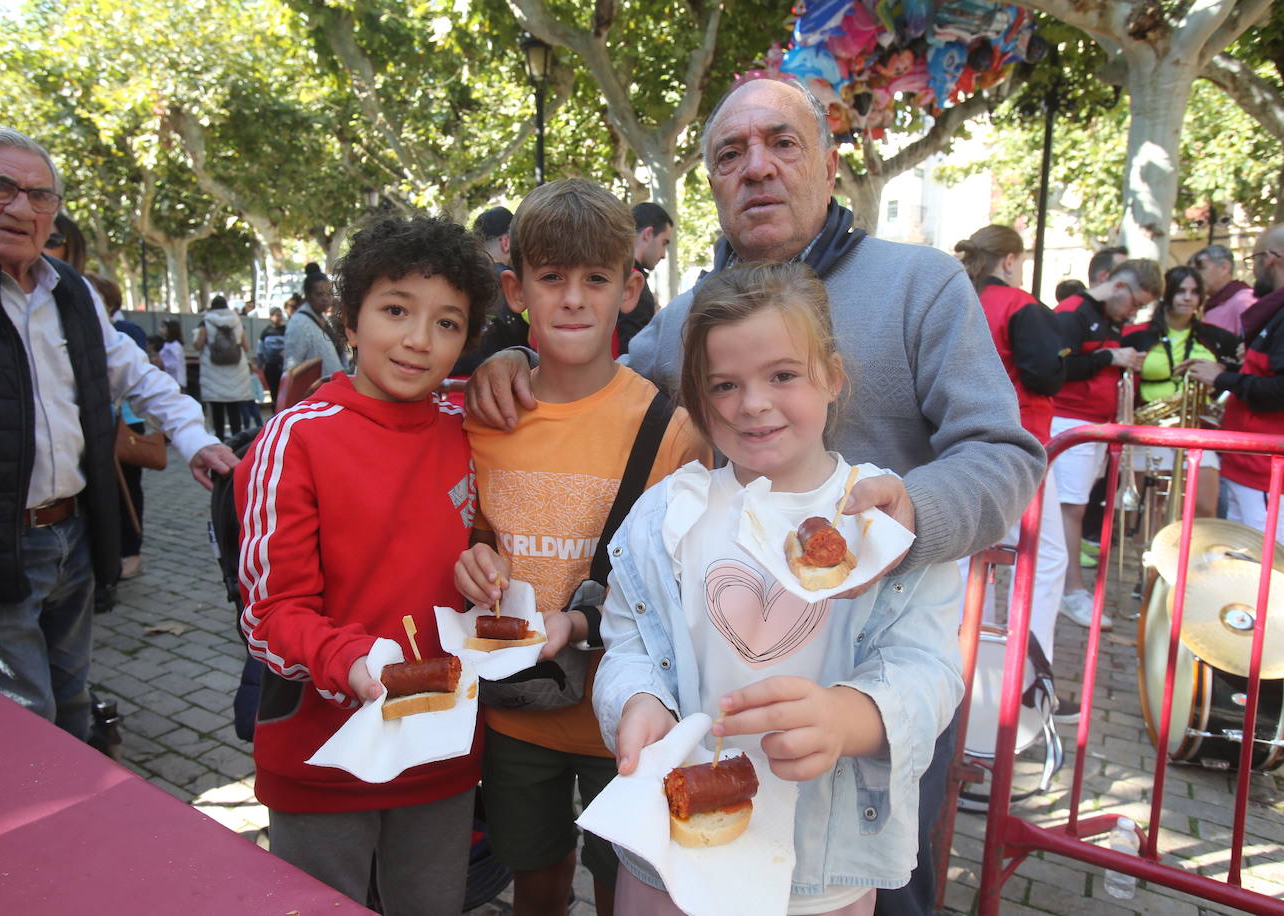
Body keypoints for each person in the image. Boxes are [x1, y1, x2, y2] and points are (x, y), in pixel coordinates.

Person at [466, 76, 1044, 916]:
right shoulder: (700, 310)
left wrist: (907, 519)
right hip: (713, 702)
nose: (757, 168)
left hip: (862, 691)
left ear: (829, 162)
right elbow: (604, 388)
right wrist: (516, 362)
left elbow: (1003, 450)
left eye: (781, 143)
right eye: (731, 154)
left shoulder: (923, 284)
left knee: (880, 893)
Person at [594, 260, 962, 915]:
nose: (754, 403)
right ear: (701, 401)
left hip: (819, 868)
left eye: (783, 375)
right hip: (672, 850)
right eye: (725, 385)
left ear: (832, 377)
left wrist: (854, 719)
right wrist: (636, 700)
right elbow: (629, 640)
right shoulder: (667, 516)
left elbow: (928, 664)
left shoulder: (886, 516)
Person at [0, 126, 236, 740]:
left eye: (40, 196)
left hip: (73, 535)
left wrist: (195, 439)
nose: (20, 208)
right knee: (16, 725)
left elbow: (135, 373)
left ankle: (83, 826)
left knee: (72, 703)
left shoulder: (72, 292)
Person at [453, 179, 710, 916]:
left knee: (622, 888)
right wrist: (470, 557)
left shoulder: (672, 430)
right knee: (534, 880)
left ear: (629, 289)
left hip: (627, 715)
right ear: (515, 287)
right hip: (514, 712)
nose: (573, 299)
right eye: (552, 278)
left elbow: (681, 580)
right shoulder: (484, 415)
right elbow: (468, 530)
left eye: (595, 279)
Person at [235, 216, 496, 913]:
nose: (418, 340)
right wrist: (356, 664)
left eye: (447, 323)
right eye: (395, 311)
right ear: (350, 321)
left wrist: (484, 561)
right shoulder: (296, 441)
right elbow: (268, 617)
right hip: (322, 761)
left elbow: (472, 538)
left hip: (439, 758)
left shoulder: (463, 432)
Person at [953, 225, 1071, 714]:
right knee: (1043, 557)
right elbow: (1048, 372)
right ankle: (1028, 674)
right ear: (1009, 260)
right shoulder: (1019, 305)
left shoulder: (956, 297)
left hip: (959, 443)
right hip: (1021, 445)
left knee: (969, 559)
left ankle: (968, 668)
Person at [1049, 258, 1161, 628]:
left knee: (1073, 507)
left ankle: (1067, 588)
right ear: (1118, 287)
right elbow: (1056, 369)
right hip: (1071, 423)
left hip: (1090, 425)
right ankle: (1071, 591)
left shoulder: (1101, 316)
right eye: (1136, 303)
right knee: (1070, 509)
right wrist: (1110, 357)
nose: (1135, 312)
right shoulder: (1073, 313)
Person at [1181, 224, 1284, 540]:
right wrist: (1226, 369)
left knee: (1267, 569)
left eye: (1252, 258)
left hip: (1267, 473)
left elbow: (1279, 391)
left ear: (1270, 258)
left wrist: (1222, 377)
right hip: (1251, 469)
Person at [1122, 265, 1239, 520]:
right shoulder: (1136, 335)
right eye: (1181, 291)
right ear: (1168, 294)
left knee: (1205, 507)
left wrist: (1221, 370)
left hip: (1197, 430)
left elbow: (1242, 368)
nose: (1188, 298)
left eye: (1195, 292)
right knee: (1151, 509)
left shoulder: (1218, 338)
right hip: (1149, 429)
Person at [90, 273, 150, 581]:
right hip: (93, 428)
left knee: (128, 489)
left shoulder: (126, 332)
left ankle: (132, 550)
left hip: (126, 423)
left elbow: (138, 376)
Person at [451, 206, 530, 376]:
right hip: (502, 387)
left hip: (443, 388)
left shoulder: (452, 277)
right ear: (507, 242)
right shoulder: (515, 284)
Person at [617, 201, 674, 354]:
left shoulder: (617, 275)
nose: (663, 254)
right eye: (664, 243)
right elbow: (633, 352)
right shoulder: (631, 280)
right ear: (648, 234)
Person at [194, 294, 252, 440]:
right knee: (234, 410)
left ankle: (219, 440)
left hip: (213, 371)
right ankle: (237, 440)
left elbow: (198, 345)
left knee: (217, 410)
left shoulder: (206, 322)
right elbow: (246, 346)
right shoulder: (237, 321)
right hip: (236, 370)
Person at [285, 263, 349, 379]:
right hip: (315, 393)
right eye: (319, 294)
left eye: (328, 294)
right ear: (308, 296)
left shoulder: (324, 318)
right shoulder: (299, 322)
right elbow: (292, 367)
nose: (325, 299)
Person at [1192, 243, 1254, 337]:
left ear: (1224, 268)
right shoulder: (1213, 302)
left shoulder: (1243, 301)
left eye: (1202, 268)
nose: (1196, 275)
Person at [257, 306, 287, 404]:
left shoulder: (286, 330)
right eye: (276, 315)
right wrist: (260, 363)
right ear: (271, 317)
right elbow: (260, 349)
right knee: (274, 391)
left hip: (285, 367)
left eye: (280, 315)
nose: (279, 317)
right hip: (271, 366)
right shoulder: (266, 332)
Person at [160, 319, 187, 391]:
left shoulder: (175, 345)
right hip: (169, 380)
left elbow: (175, 363)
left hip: (175, 380)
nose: (160, 330)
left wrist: (163, 365)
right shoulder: (167, 344)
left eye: (163, 327)